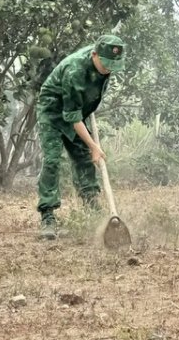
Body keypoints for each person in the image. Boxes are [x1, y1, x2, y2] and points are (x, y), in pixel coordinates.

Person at [35, 35, 126, 239]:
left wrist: (90, 146)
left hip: (75, 111)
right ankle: (47, 215)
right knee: (52, 160)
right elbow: (72, 117)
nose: (109, 68)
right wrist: (94, 145)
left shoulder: (103, 62)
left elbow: (80, 108)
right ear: (94, 55)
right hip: (52, 112)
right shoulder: (74, 70)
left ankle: (91, 206)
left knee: (84, 159)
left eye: (113, 64)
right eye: (106, 63)